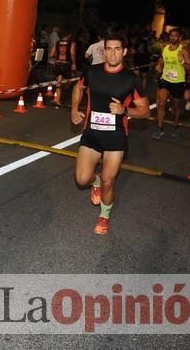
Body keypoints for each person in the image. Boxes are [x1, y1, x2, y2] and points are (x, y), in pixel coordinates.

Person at [71, 35, 150, 235]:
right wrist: (73, 109)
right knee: (81, 179)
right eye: (109, 49)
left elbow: (145, 110)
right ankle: (94, 182)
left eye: (117, 49)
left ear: (124, 52)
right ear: (103, 51)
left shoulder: (131, 79)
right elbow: (78, 87)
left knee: (109, 181)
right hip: (91, 133)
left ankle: (104, 215)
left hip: (115, 137)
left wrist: (124, 111)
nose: (112, 53)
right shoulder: (92, 72)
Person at [153, 28, 189, 139]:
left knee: (175, 107)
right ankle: (160, 128)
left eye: (175, 36)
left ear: (179, 37)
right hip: (165, 79)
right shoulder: (165, 48)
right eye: (171, 35)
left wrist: (182, 61)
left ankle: (175, 126)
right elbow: (162, 60)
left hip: (178, 82)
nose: (173, 37)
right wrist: (159, 65)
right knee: (161, 104)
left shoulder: (183, 50)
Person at [49, 31, 76, 107]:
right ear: (69, 35)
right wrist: (74, 63)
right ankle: (65, 98)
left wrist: (56, 58)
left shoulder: (57, 43)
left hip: (58, 64)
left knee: (59, 81)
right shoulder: (72, 43)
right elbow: (72, 53)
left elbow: (51, 54)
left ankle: (57, 100)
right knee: (68, 83)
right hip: (66, 64)